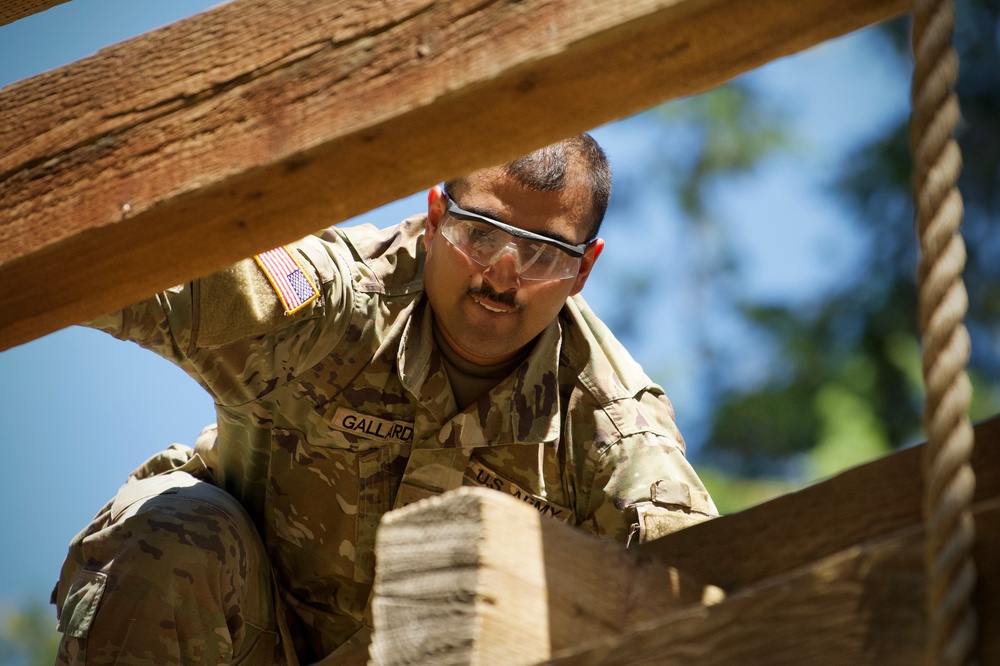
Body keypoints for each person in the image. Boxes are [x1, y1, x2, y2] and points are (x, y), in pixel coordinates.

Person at [51, 134, 717, 664]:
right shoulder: (332, 310)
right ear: (435, 216)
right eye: (481, 234)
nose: (502, 274)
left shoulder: (609, 428)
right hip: (244, 634)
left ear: (584, 269)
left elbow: (705, 593)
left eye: (541, 254)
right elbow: (166, 275)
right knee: (173, 532)